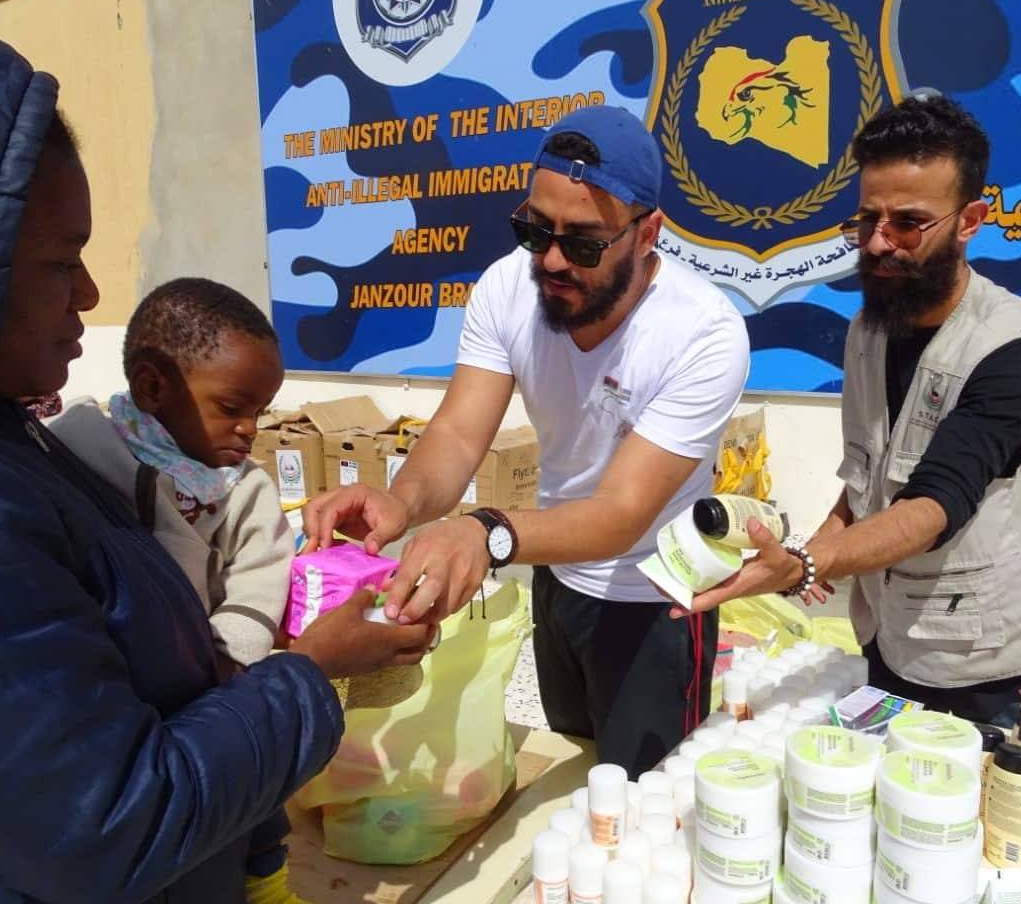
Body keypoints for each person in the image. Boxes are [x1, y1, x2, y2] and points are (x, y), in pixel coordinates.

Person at [0, 17, 433, 904]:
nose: (90, 296)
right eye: (59, 263)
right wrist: (312, 674)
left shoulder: (4, 435)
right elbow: (112, 822)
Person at [303, 105, 750, 776]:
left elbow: (622, 513)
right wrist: (402, 501)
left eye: (584, 243)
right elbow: (458, 433)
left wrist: (485, 533)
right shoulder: (508, 287)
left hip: (654, 599)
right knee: (570, 774)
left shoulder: (704, 334)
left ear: (648, 234)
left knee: (648, 802)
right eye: (535, 230)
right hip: (556, 573)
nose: (553, 260)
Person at [684, 93, 1021, 726]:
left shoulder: (1017, 350)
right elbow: (869, 479)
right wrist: (812, 548)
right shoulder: (869, 330)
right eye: (867, 220)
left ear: (970, 220)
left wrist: (809, 561)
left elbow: (932, 504)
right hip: (888, 638)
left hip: (986, 663)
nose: (879, 243)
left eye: (908, 223)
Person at [50, 278, 357, 904]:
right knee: (153, 816)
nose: (249, 430)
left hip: (212, 676)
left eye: (260, 412)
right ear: (152, 387)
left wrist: (231, 654)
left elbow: (260, 572)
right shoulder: (76, 455)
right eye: (232, 408)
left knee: (252, 794)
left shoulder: (240, 488)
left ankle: (269, 899)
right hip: (120, 685)